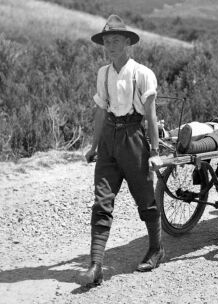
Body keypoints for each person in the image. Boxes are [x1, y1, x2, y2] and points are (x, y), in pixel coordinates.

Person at [77, 15, 164, 286]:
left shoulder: (142, 73)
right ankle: (95, 266)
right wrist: (93, 146)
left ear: (128, 42)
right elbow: (101, 111)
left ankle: (156, 248)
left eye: (116, 40)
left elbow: (150, 115)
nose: (111, 45)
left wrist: (154, 150)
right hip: (109, 141)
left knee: (145, 199)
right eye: (107, 41)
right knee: (102, 201)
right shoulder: (104, 73)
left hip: (134, 137)